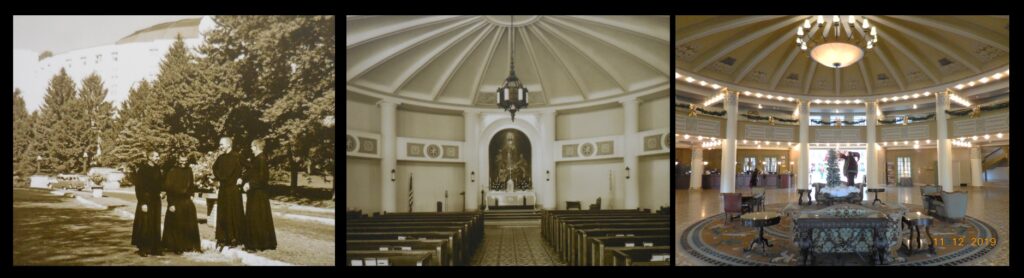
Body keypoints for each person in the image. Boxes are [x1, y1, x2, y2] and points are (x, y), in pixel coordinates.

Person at [162, 154, 201, 253]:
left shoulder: (189, 170)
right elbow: (168, 189)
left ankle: (191, 246)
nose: (183, 163)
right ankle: (177, 247)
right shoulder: (172, 171)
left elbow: (191, 185)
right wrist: (170, 204)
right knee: (177, 224)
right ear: (178, 160)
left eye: (185, 161)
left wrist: (192, 194)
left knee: (190, 223)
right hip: (175, 200)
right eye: (181, 161)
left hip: (186, 199)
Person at [243, 139, 277, 251]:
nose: (251, 149)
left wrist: (250, 184)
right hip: (255, 193)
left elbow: (263, 178)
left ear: (256, 146)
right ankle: (261, 243)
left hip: (259, 194)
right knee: (256, 218)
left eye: (252, 146)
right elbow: (251, 173)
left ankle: (255, 245)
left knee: (256, 219)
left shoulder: (261, 159)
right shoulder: (256, 159)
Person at [213, 137, 246, 249]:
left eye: (221, 144)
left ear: (228, 145)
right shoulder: (220, 158)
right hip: (223, 189)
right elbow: (214, 168)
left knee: (234, 214)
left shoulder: (237, 156)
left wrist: (242, 178)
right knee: (223, 214)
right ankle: (222, 238)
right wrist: (218, 178)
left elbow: (250, 168)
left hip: (234, 190)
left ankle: (235, 238)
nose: (220, 146)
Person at [131, 151, 163, 256]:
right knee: (144, 224)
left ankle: (155, 248)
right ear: (150, 157)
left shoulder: (158, 169)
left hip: (156, 200)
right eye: (156, 156)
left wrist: (163, 191)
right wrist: (142, 203)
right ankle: (143, 249)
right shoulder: (142, 170)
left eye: (158, 156)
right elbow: (139, 188)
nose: (158, 158)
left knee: (155, 223)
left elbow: (160, 183)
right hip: (145, 200)